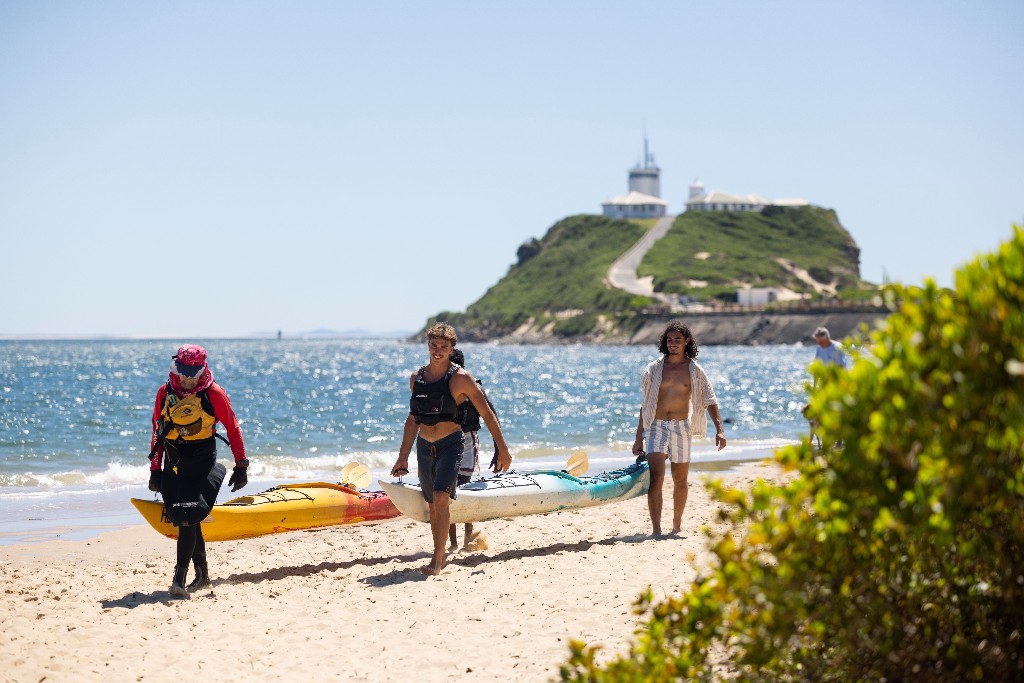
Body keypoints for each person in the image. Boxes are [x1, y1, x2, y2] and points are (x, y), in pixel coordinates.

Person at [390, 323, 512, 575]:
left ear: (451, 348)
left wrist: (503, 449)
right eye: (433, 345)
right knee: (432, 504)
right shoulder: (417, 378)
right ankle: (441, 550)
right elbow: (413, 419)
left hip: (451, 444)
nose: (437, 351)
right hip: (424, 446)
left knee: (442, 497)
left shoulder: (461, 379)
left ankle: (438, 559)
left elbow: (487, 414)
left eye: (443, 347)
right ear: (428, 345)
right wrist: (402, 457)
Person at [147, 344, 249, 597]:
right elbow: (156, 432)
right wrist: (155, 470)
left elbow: (233, 428)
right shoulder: (165, 392)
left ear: (203, 369)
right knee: (188, 519)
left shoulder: (214, 393)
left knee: (186, 517)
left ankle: (179, 577)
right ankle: (202, 575)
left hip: (201, 464)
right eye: (182, 371)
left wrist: (241, 464)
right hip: (174, 463)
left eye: (192, 373)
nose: (186, 378)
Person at [631, 320, 726, 537]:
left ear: (686, 342)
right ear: (665, 342)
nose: (673, 343)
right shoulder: (653, 369)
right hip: (656, 427)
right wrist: (639, 438)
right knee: (656, 477)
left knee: (680, 479)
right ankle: (656, 529)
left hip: (682, 428)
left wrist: (719, 429)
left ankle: (676, 524)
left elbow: (710, 400)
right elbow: (645, 405)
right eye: (669, 339)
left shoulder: (694, 370)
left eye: (677, 340)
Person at [446, 348, 494, 553]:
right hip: (446, 440)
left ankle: (468, 538)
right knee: (448, 492)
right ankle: (453, 543)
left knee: (464, 489)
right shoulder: (440, 386)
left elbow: (490, 412)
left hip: (467, 441)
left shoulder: (473, 386)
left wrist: (499, 447)